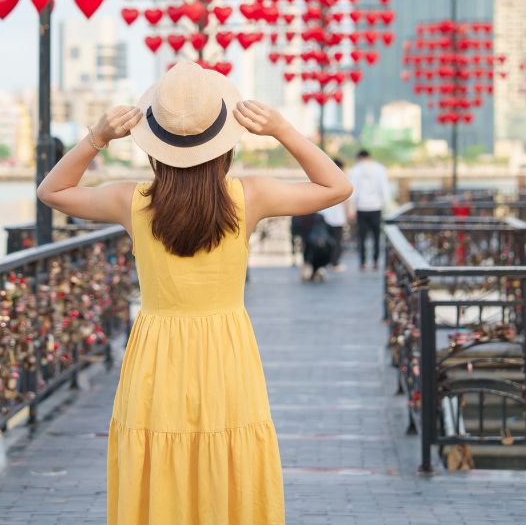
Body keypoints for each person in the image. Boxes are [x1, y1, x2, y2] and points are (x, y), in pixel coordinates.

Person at [36, 61, 352, 525]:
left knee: (159, 458)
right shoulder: (250, 196)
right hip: (226, 351)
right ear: (223, 141)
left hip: (156, 353)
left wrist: (98, 136)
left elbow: (52, 190)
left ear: (154, 144)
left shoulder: (133, 200)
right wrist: (282, 129)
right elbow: (337, 186)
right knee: (229, 458)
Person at [348, 149, 391, 271]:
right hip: (376, 207)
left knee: (362, 237)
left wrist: (351, 209)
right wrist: (387, 207)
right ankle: (376, 261)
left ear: (359, 158)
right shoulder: (380, 169)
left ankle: (363, 262)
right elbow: (385, 189)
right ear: (369, 157)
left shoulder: (355, 170)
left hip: (361, 208)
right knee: (377, 237)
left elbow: (352, 191)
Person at [320, 157, 352, 272]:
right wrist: (348, 214)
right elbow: (347, 200)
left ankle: (323, 263)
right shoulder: (344, 179)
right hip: (338, 217)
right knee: (338, 241)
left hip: (324, 214)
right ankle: (334, 263)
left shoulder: (323, 176)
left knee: (325, 241)